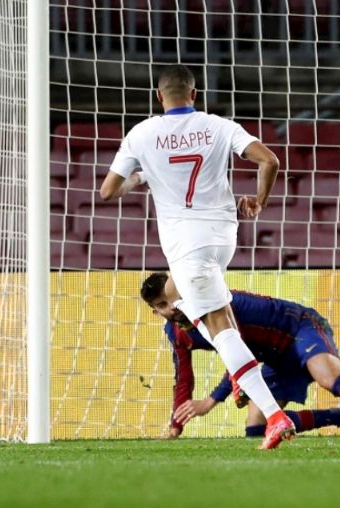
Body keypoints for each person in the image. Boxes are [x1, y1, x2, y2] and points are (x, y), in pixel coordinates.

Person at [99, 65, 294, 449]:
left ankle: (274, 415)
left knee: (218, 326)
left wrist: (142, 177)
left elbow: (108, 191)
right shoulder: (218, 126)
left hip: (187, 245)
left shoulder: (141, 134)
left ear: (159, 97)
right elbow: (269, 160)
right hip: (223, 237)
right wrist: (259, 200)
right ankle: (240, 373)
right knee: (195, 307)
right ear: (194, 94)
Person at [141, 272, 340, 438]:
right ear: (157, 312)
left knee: (330, 380)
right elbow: (184, 380)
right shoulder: (177, 334)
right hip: (275, 356)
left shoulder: (216, 305)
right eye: (164, 305)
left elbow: (239, 352)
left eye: (174, 297)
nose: (174, 306)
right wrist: (176, 425)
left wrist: (214, 398)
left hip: (300, 326)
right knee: (257, 428)